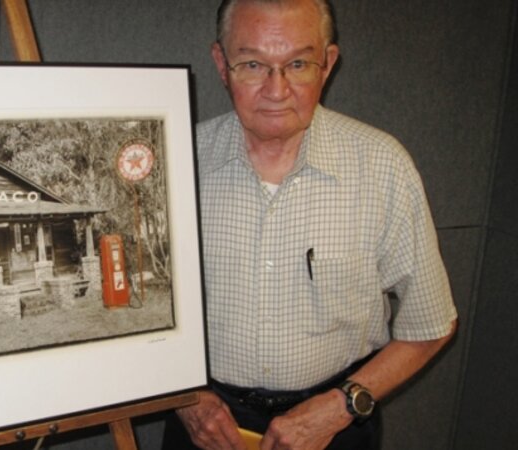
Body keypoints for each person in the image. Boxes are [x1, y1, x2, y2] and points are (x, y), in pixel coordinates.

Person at [163, 0, 458, 449]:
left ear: (329, 64)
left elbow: (431, 324)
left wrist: (342, 405)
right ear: (221, 64)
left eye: (298, 63)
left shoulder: (383, 167)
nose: (276, 89)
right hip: (204, 422)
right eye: (253, 64)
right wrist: (185, 399)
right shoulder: (173, 160)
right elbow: (134, 316)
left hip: (336, 420)